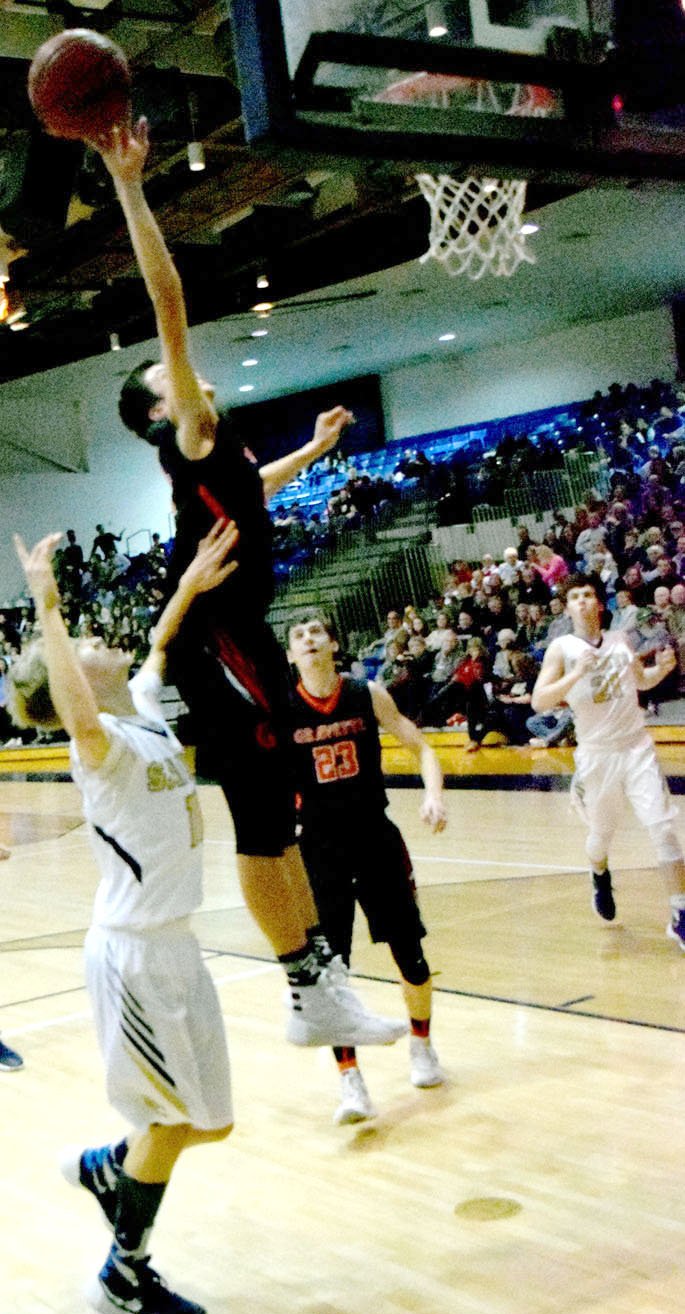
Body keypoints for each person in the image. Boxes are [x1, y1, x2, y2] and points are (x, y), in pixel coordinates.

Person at [93, 120, 405, 1051]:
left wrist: (311, 449)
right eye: (170, 378)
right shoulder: (184, 428)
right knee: (265, 820)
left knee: (287, 811)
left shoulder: (215, 454)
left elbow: (254, 495)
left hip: (240, 635)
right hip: (215, 641)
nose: (186, 374)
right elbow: (169, 308)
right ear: (161, 405)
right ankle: (308, 989)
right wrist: (132, 188)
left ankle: (317, 979)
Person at [8, 521, 244, 1314]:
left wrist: (190, 585)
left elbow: (155, 642)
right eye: (83, 649)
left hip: (176, 946)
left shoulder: (139, 710)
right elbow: (72, 703)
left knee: (208, 1121)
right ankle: (124, 1274)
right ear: (71, 674)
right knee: (171, 1120)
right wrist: (46, 602)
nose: (102, 646)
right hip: (135, 956)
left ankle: (111, 1169)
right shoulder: (98, 743)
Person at [287, 615, 448, 1124]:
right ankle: (350, 1081)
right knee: (332, 976)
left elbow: (421, 747)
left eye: (317, 632)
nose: (309, 641)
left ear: (334, 643)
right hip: (318, 850)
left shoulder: (366, 693)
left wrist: (434, 795)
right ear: (291, 655)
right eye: (299, 636)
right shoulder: (282, 709)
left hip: (375, 839)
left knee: (411, 953)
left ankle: (422, 1046)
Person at [531, 573, 685, 945]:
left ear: (600, 603)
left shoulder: (620, 640)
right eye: (575, 597)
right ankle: (598, 872)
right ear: (568, 607)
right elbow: (539, 701)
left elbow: (640, 682)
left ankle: (680, 913)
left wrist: (661, 671)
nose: (582, 601)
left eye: (588, 595)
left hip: (636, 747)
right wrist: (576, 675)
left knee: (662, 826)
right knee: (601, 836)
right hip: (597, 757)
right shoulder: (562, 649)